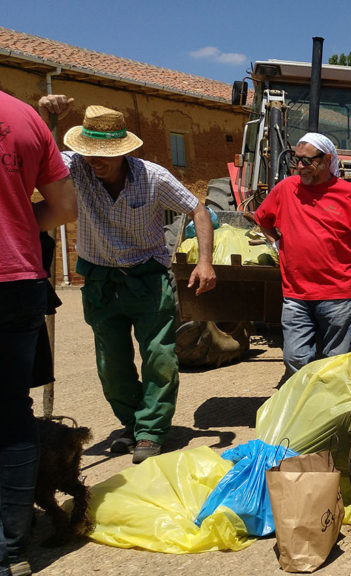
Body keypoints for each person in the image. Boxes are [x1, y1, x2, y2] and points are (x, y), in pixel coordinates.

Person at [37, 95, 216, 464]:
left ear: (123, 151)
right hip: (100, 278)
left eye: (103, 153)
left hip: (148, 278)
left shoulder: (153, 176)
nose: (94, 160)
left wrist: (205, 262)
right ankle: (133, 424)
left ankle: (151, 431)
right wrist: (49, 119)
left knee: (159, 358)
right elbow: (45, 163)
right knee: (111, 365)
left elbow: (198, 209)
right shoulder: (76, 168)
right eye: (88, 151)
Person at [1, 89, 77, 576]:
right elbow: (65, 207)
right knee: (11, 414)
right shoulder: (22, 117)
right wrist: (18, 227)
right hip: (17, 282)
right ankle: (9, 549)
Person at [254, 132, 351, 375]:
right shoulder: (286, 189)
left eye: (307, 161)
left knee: (334, 364)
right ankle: (306, 406)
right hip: (295, 293)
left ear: (327, 160)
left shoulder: (348, 194)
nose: (299, 167)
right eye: (296, 159)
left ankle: (331, 409)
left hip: (337, 294)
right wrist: (276, 242)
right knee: (295, 359)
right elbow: (262, 220)